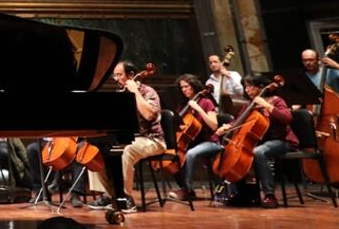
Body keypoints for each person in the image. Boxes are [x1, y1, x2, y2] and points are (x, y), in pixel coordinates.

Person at [88, 61, 163, 213]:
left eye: (119, 75)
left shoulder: (147, 91)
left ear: (130, 75)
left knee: (126, 150)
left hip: (151, 139)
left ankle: (125, 197)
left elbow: (149, 115)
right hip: (127, 137)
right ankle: (110, 195)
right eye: (114, 75)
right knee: (96, 151)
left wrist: (134, 91)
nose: (116, 79)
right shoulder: (120, 94)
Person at [213, 74, 296, 209]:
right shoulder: (249, 105)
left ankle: (269, 195)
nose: (247, 90)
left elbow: (287, 118)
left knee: (258, 152)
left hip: (281, 140)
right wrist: (228, 126)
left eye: (250, 86)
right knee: (239, 156)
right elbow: (238, 120)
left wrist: (266, 106)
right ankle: (242, 193)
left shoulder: (276, 100)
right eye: (245, 87)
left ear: (261, 87)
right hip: (260, 142)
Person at [167, 74, 220, 202]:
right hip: (191, 141)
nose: (184, 90)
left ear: (194, 86)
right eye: (182, 88)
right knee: (170, 158)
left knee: (190, 154)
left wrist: (199, 109)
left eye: (187, 86)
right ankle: (186, 189)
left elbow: (214, 126)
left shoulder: (206, 102)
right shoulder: (183, 105)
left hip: (209, 141)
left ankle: (186, 190)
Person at [25, 139, 87, 207]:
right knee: (31, 149)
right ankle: (42, 191)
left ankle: (76, 193)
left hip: (71, 140)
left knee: (79, 149)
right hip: (49, 142)